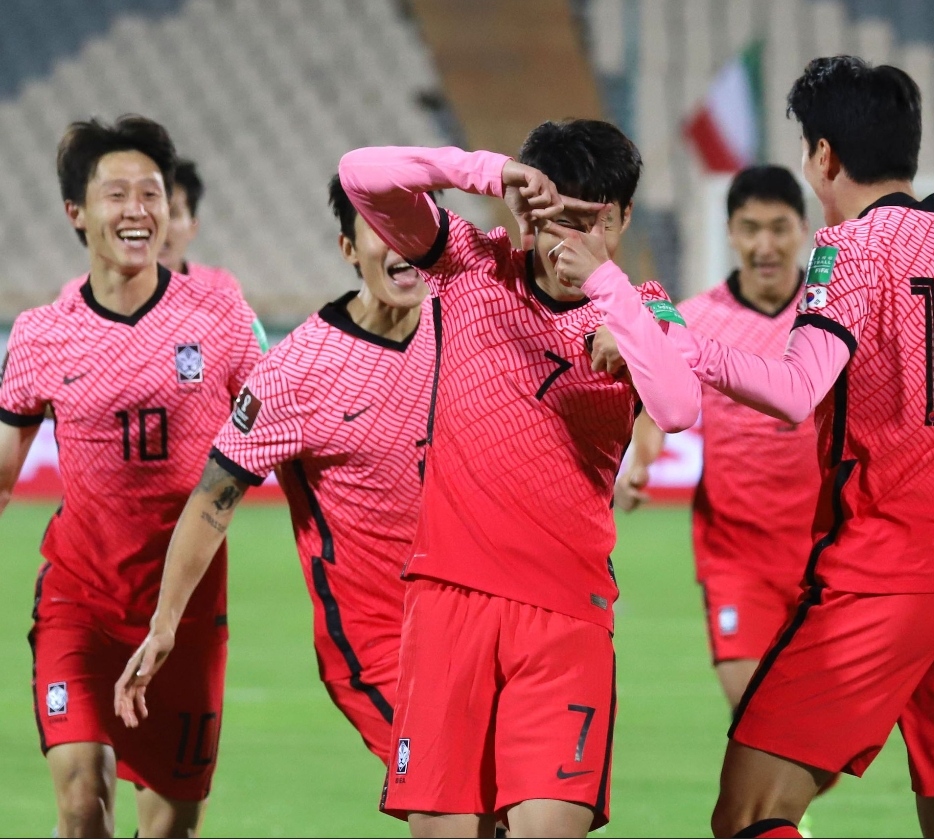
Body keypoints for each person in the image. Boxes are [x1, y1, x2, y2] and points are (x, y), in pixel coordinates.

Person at [557, 57, 934, 839]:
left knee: (749, 811)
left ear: (824, 156)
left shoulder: (849, 249)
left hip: (879, 578)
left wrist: (681, 342)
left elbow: (796, 387)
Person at [338, 119, 701, 837]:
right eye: (557, 218)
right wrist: (484, 171)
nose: (570, 242)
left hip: (566, 617)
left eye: (592, 222)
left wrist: (611, 292)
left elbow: (680, 406)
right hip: (449, 601)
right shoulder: (471, 263)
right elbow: (361, 175)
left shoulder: (646, 307)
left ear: (624, 217)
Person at [115, 175, 436, 769]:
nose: (402, 243)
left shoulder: (465, 328)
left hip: (474, 625)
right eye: (381, 229)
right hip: (377, 642)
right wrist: (164, 624)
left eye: (414, 226)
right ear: (349, 248)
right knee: (451, 797)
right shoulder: (296, 372)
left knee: (513, 805)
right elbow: (212, 499)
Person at [0, 115, 263, 837]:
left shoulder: (221, 317)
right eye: (115, 194)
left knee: (171, 825)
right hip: (79, 601)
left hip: (188, 612)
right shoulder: (41, 335)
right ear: (76, 212)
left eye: (151, 193)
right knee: (82, 801)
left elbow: (278, 429)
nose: (137, 209)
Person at [616, 166, 819, 712]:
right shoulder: (694, 319)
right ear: (730, 232)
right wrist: (640, 463)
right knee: (758, 718)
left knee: (817, 737)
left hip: (829, 553)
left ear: (803, 229)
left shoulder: (830, 316)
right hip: (736, 555)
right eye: (750, 228)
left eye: (779, 227)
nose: (765, 245)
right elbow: (655, 409)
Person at [59, 157, 244, 299]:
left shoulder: (220, 288)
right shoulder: (77, 294)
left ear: (192, 227)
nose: (159, 225)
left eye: (172, 213)